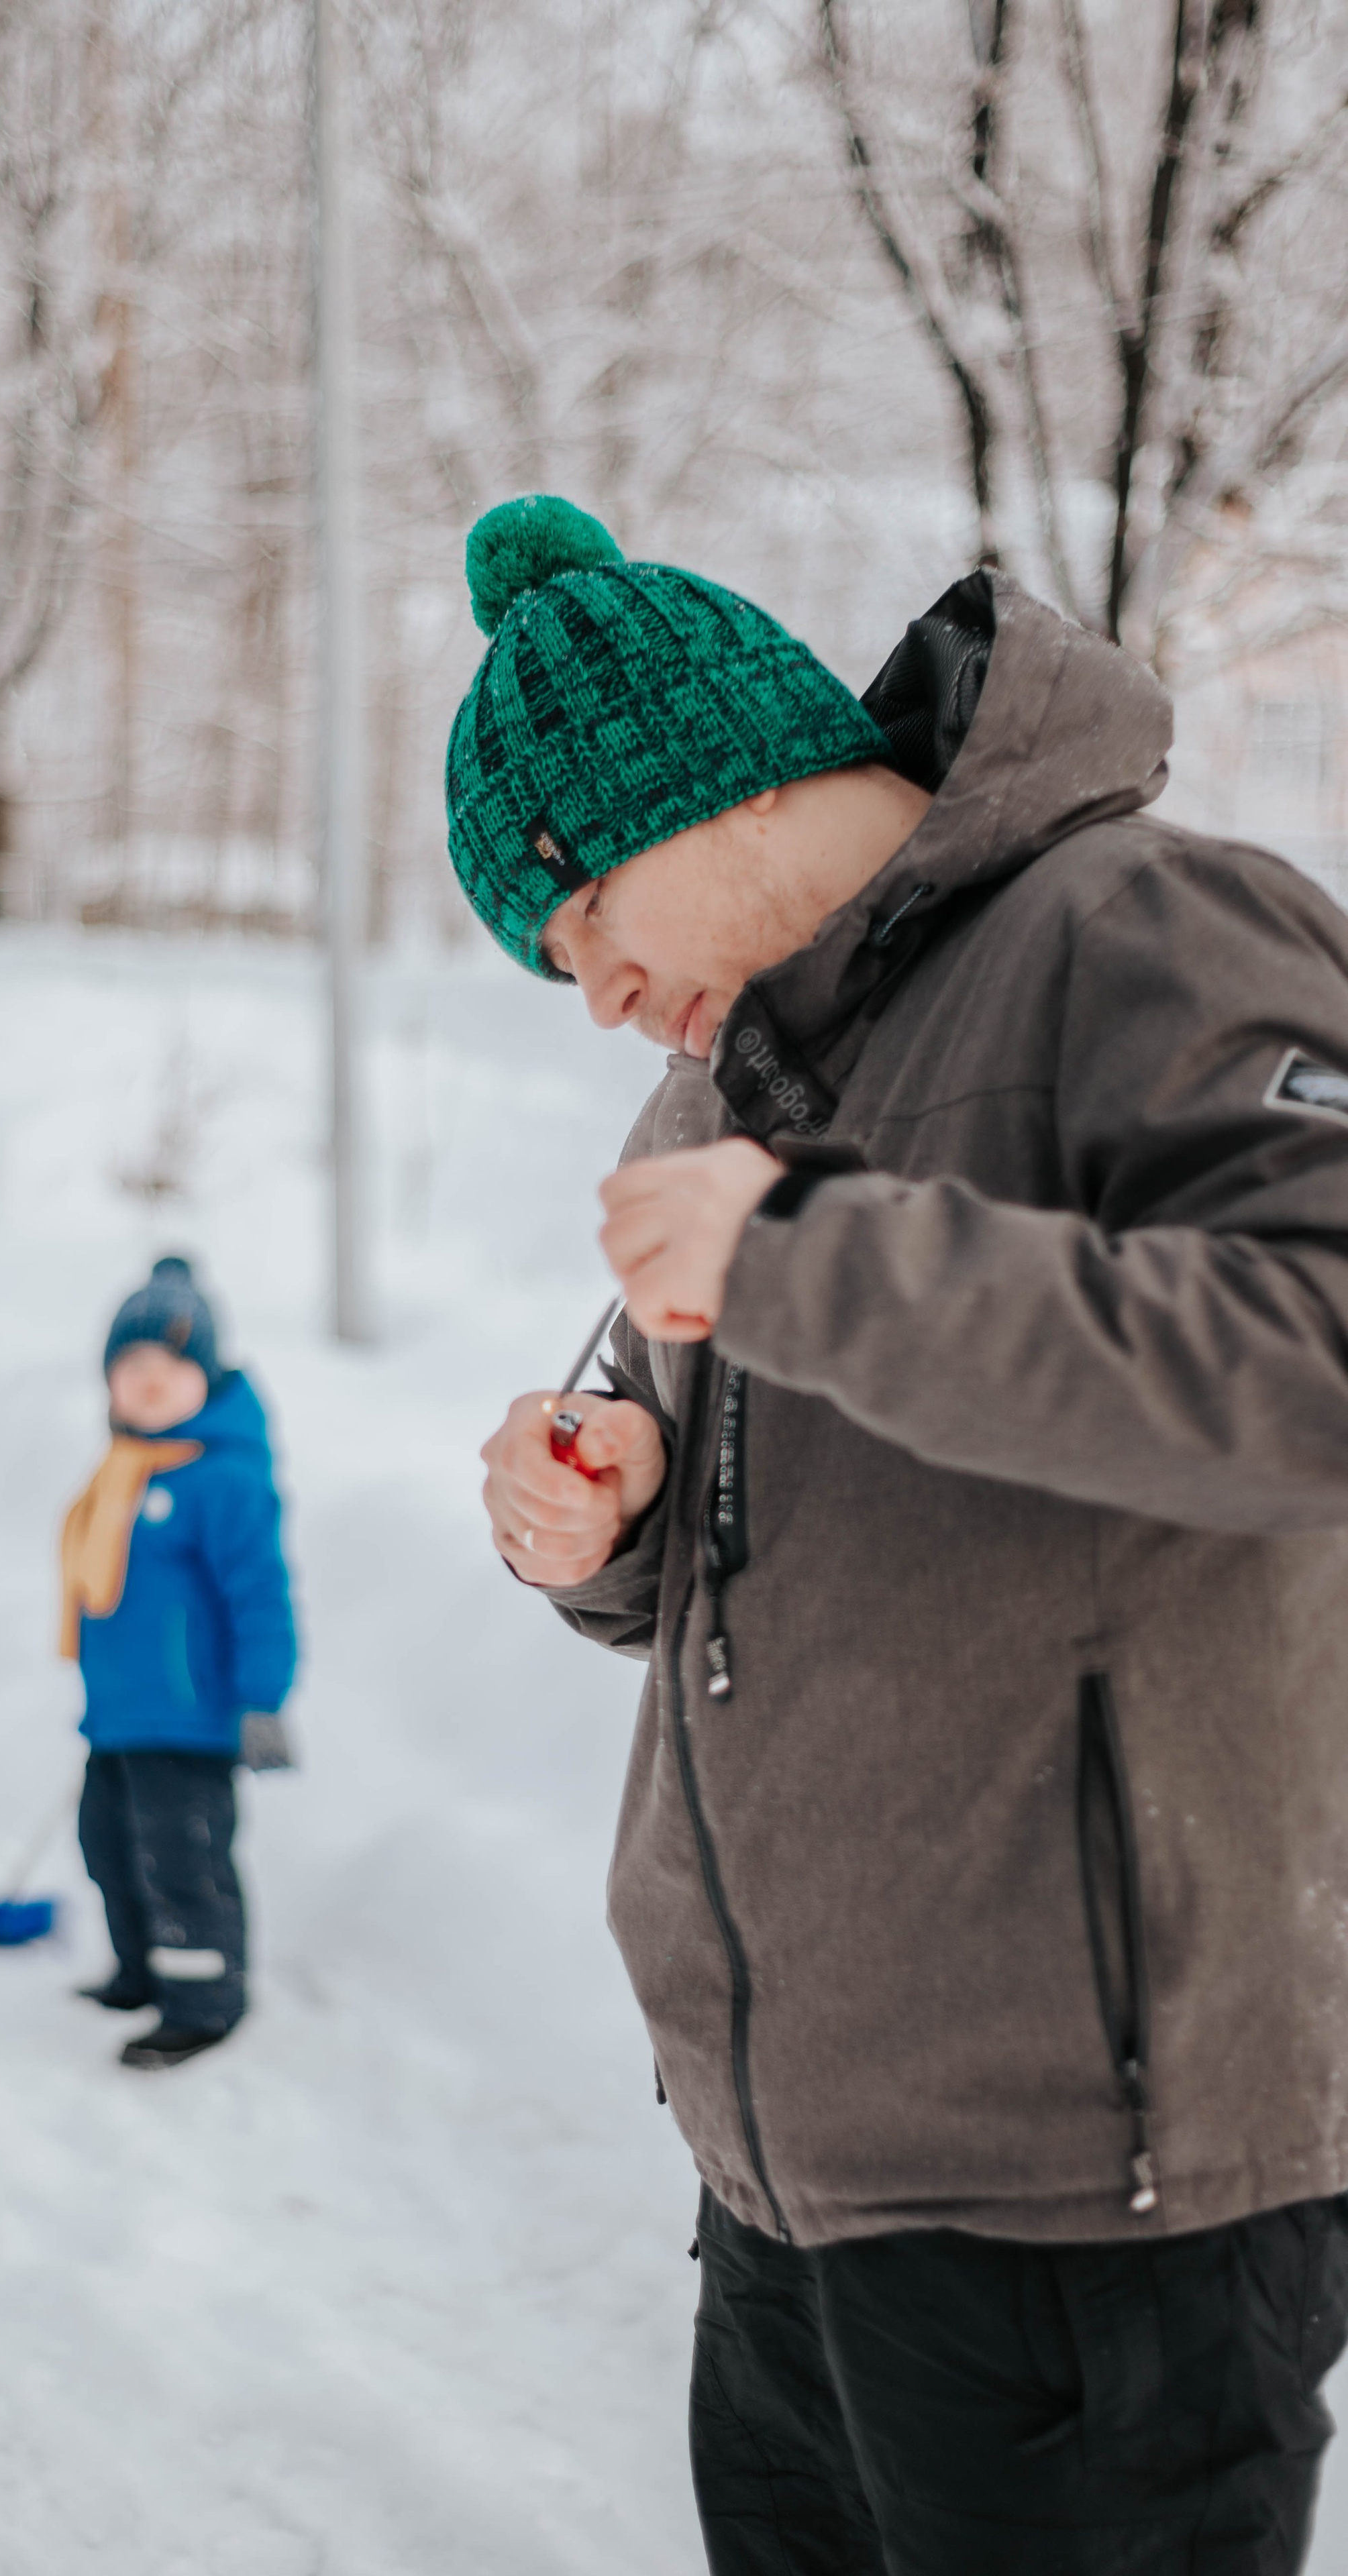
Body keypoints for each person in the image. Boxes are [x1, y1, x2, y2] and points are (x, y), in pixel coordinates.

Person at [464, 494, 1348, 2571]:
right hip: (785, 2175)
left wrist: (810, 1265)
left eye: (578, 917)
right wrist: (600, 1511)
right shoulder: (721, 1095)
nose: (589, 995)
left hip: (1091, 2192)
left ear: (710, 785)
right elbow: (741, 1515)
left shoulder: (1145, 929)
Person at [59, 1254, 298, 2070]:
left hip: (193, 1721)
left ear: (208, 1378)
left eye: (171, 1368)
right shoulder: (123, 1474)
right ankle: (141, 1968)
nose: (150, 1383)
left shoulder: (224, 1481)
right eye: (132, 1367)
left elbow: (260, 1597)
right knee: (108, 1846)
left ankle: (204, 2000)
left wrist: (261, 1700)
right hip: (123, 1716)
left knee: (182, 1860)